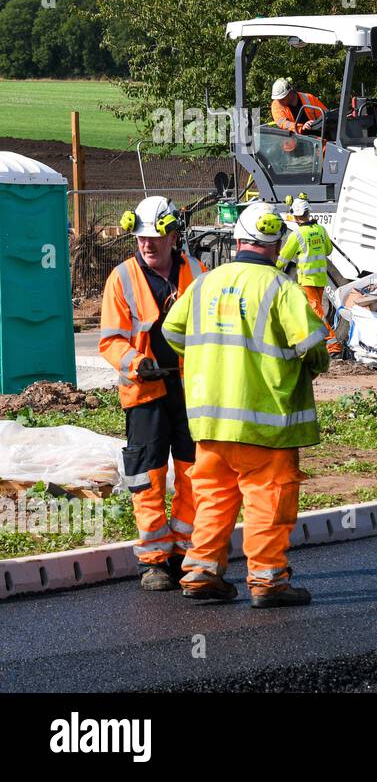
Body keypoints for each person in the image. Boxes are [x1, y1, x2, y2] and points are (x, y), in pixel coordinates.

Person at [162, 202, 331, 607]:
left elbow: (172, 331)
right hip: (265, 421)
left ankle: (202, 570)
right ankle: (269, 581)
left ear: (237, 240)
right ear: (276, 246)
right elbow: (312, 345)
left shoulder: (204, 282)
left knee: (214, 496)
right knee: (268, 497)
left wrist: (208, 362)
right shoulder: (280, 287)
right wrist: (313, 366)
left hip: (211, 421)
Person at [100, 196, 206, 591]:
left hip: (189, 388)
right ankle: (155, 560)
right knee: (146, 476)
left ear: (173, 236)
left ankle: (184, 549)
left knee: (194, 470)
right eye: (142, 238)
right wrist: (134, 362)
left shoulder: (196, 271)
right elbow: (110, 340)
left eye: (155, 238)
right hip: (144, 393)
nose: (147, 245)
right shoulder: (122, 278)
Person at [276, 194, 343, 355]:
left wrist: (272, 269)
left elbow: (283, 258)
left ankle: (333, 344)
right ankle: (314, 344)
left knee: (316, 314)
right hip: (321, 279)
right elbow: (328, 250)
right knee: (314, 312)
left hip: (307, 280)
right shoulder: (320, 230)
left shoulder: (297, 235)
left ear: (295, 216)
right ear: (308, 213)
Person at [270, 78, 328, 152]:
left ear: (290, 93)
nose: (279, 101)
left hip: (315, 139)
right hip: (293, 145)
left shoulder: (308, 98)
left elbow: (325, 115)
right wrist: (301, 127)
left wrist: (314, 123)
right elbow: (283, 123)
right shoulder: (276, 105)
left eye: (282, 98)